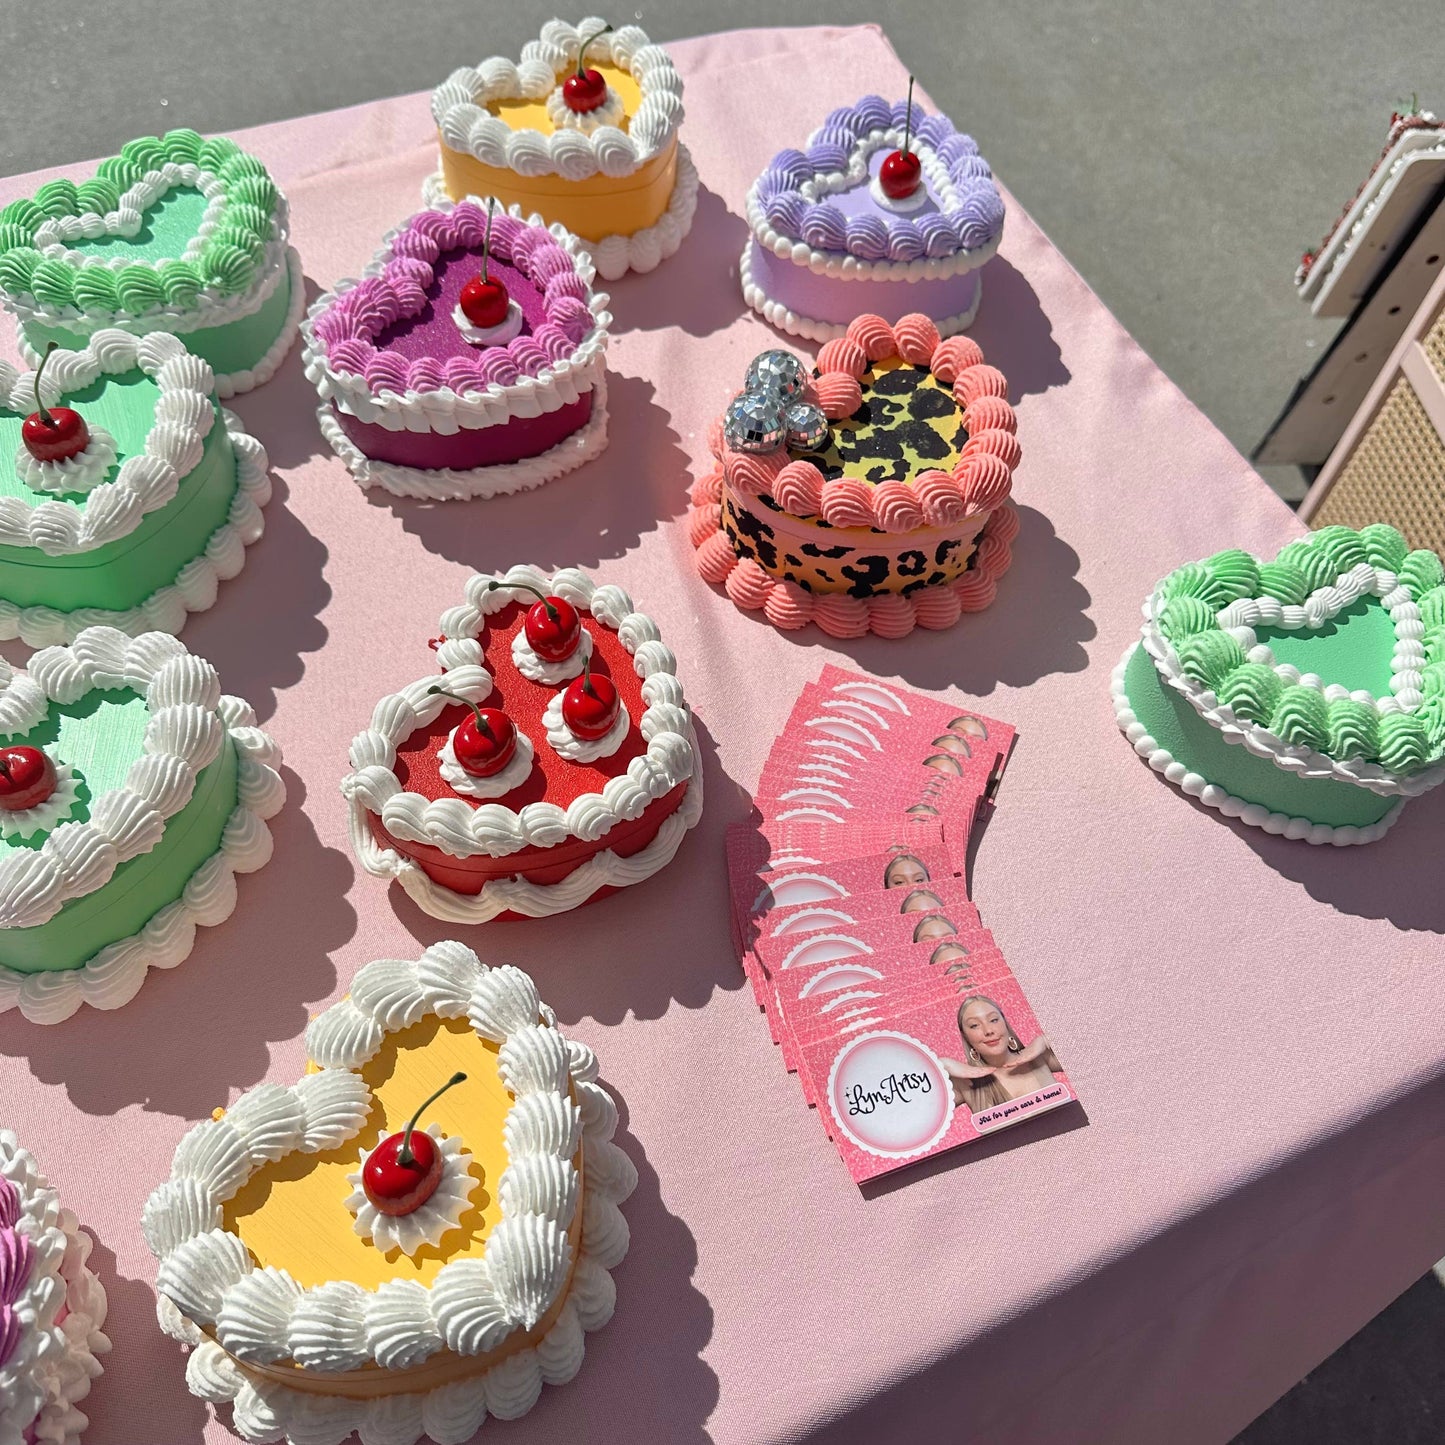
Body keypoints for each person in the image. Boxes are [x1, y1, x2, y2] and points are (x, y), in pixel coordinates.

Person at [941, 996, 1063, 1112]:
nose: (988, 1031)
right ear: (966, 1037)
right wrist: (942, 1064)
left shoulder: (1042, 1058)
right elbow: (923, 1117)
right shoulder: (965, 1084)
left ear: (1005, 1023)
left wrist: (1046, 1040)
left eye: (993, 1020)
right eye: (974, 1025)